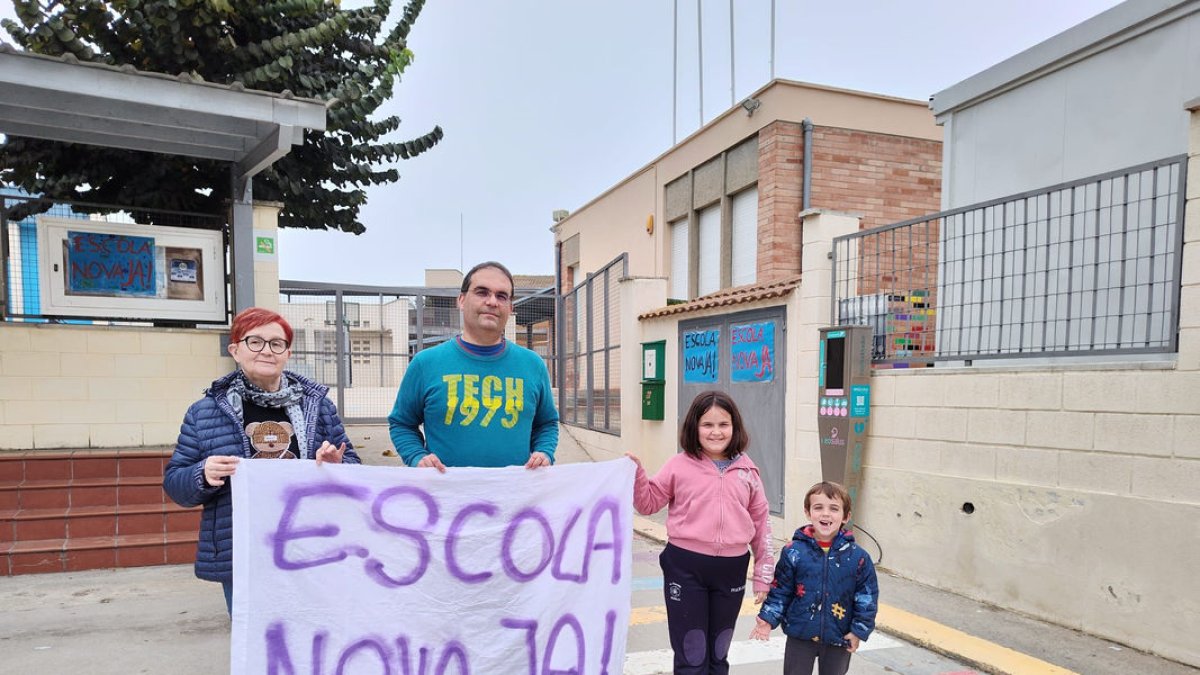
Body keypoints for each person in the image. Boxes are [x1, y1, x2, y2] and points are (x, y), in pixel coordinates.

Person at [163, 307, 361, 615]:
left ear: (287, 353)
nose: (267, 351)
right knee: (254, 636)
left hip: (308, 546)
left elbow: (354, 469)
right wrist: (203, 473)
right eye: (255, 342)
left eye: (276, 344)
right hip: (243, 549)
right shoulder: (204, 412)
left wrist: (337, 467)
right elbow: (176, 483)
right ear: (235, 350)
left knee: (313, 631)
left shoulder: (318, 406)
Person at [625, 390, 774, 675]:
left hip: (731, 569)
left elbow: (762, 524)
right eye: (707, 424)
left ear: (735, 427)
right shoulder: (678, 465)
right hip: (685, 567)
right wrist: (637, 474)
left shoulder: (748, 470)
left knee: (718, 653)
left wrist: (763, 575)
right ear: (694, 426)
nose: (716, 432)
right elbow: (647, 504)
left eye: (723, 424)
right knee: (692, 654)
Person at [388, 261, 558, 470]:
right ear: (461, 300)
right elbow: (402, 423)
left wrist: (544, 452)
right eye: (482, 292)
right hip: (445, 489)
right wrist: (416, 456)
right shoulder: (425, 364)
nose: (492, 301)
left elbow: (546, 424)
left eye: (501, 296)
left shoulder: (533, 365)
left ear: (510, 308)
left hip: (514, 490)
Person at [749, 481, 879, 675]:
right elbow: (781, 590)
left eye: (834, 508)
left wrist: (859, 630)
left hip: (839, 635)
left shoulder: (858, 558)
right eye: (818, 507)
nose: (826, 514)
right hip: (800, 635)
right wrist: (768, 618)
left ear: (846, 516)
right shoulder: (793, 552)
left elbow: (867, 598)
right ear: (808, 512)